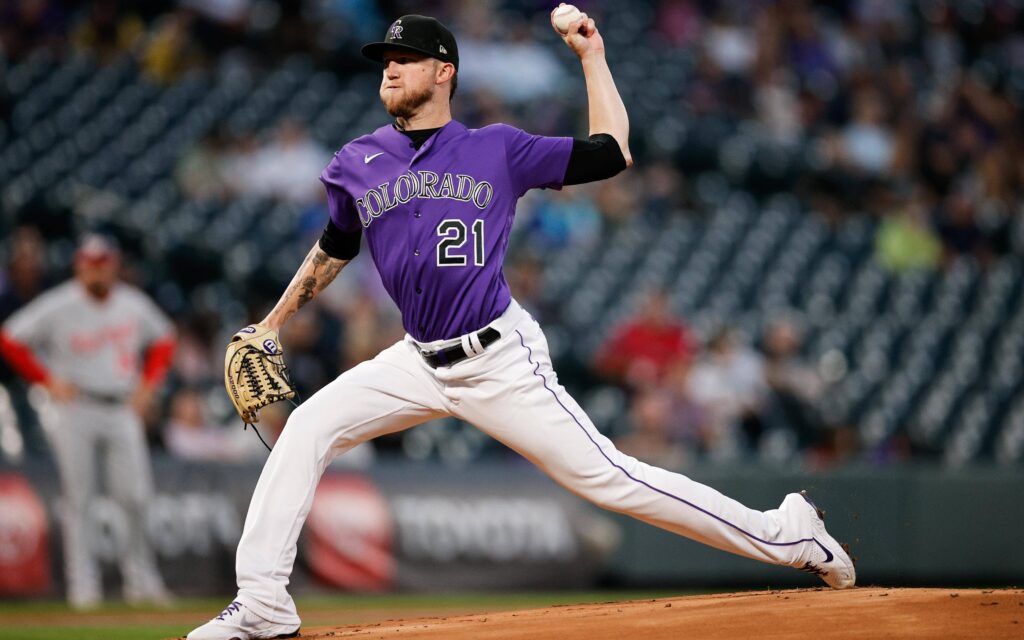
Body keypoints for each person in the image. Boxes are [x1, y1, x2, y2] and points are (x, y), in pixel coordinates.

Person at [188, 10, 855, 640]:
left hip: (498, 358)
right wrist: (274, 319)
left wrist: (592, 54)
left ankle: (786, 533)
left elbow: (611, 151)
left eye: (406, 58)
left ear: (444, 71)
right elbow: (336, 244)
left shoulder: (497, 148)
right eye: (384, 59)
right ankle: (264, 604)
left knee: (611, 479)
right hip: (415, 359)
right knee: (306, 427)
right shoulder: (358, 161)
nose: (389, 69)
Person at [0, 234, 176, 609]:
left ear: (113, 264)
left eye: (103, 263)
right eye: (90, 263)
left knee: (136, 495)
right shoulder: (59, 303)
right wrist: (44, 379)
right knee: (79, 497)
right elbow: (10, 338)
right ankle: (84, 586)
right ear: (79, 265)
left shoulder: (131, 302)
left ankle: (142, 581)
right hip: (75, 407)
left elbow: (164, 339)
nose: (97, 270)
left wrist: (148, 385)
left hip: (120, 405)